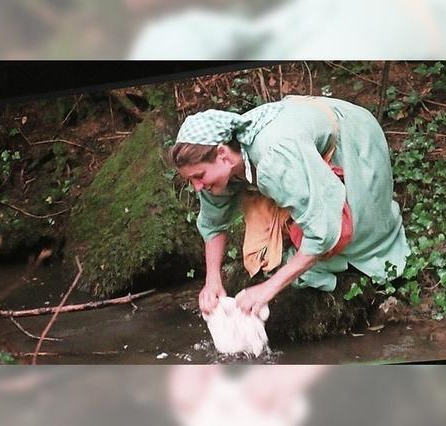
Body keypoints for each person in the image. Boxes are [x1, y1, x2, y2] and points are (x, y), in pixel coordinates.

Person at [168, 95, 410, 317]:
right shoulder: (219, 169)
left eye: (199, 176)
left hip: (353, 132)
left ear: (222, 154)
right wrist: (212, 280)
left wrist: (267, 289)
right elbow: (213, 223)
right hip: (298, 142)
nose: (197, 186)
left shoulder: (274, 156)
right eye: (191, 180)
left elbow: (323, 231)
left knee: (350, 234)